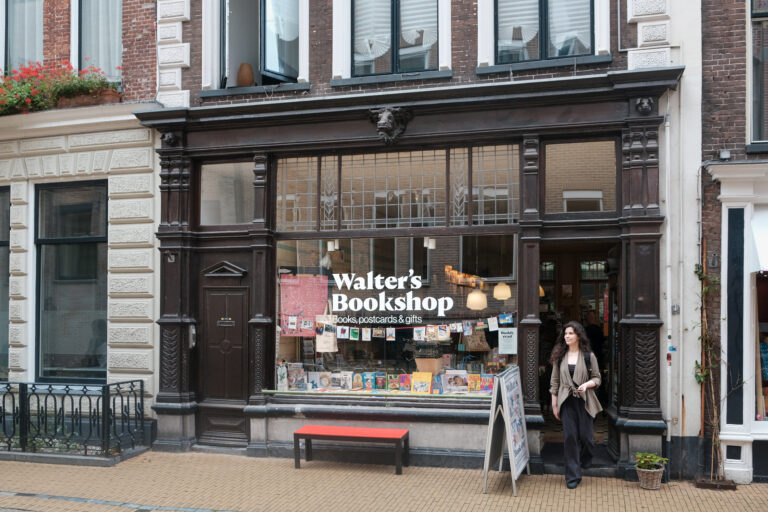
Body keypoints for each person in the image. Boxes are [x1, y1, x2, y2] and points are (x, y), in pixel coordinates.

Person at [549, 321, 602, 489]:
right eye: (565, 333)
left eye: (570, 333)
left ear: (578, 335)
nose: (567, 336)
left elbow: (598, 378)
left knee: (587, 437)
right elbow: (555, 381)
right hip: (566, 401)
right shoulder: (560, 356)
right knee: (570, 438)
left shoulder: (589, 356)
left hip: (585, 401)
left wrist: (586, 385)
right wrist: (554, 404)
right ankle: (572, 476)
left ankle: (586, 457)